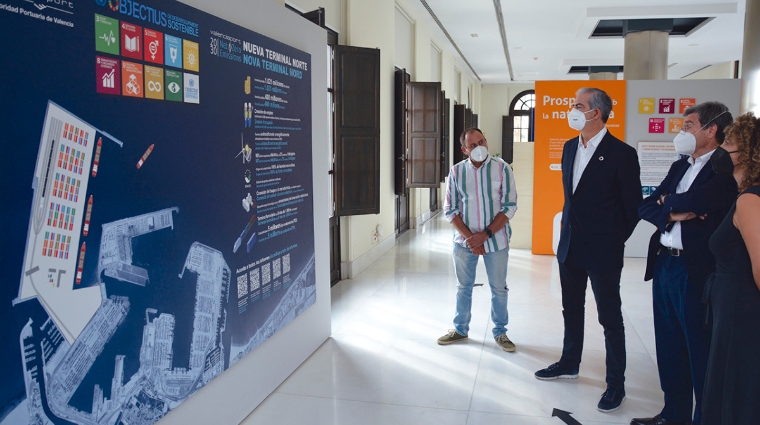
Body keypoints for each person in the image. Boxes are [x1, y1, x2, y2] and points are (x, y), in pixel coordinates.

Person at [534, 87, 642, 413]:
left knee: (610, 317)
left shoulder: (621, 153)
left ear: (595, 113)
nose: (572, 109)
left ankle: (616, 384)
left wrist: (611, 240)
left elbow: (632, 207)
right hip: (570, 246)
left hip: (603, 250)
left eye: (578, 105)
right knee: (571, 309)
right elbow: (573, 199)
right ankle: (569, 363)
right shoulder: (569, 147)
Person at [632, 102, 737, 425]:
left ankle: (703, 418)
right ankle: (672, 414)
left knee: (698, 349)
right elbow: (646, 205)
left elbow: (698, 201)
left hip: (695, 270)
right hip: (665, 264)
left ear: (711, 130)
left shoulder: (723, 170)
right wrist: (675, 211)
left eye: (688, 126)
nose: (682, 132)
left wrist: (672, 204)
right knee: (669, 345)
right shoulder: (680, 166)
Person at [701, 112, 760, 424]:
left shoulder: (751, 199)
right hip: (734, 309)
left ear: (749, 153)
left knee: (737, 390)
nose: (721, 149)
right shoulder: (745, 195)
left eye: (729, 143)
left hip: (742, 313)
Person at [438, 127, 518, 352]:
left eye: (482, 141)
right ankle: (460, 329)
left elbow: (510, 206)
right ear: (464, 150)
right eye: (473, 145)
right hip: (464, 243)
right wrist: (471, 239)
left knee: (499, 288)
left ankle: (500, 332)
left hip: (497, 240)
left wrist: (485, 235)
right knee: (464, 287)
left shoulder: (502, 169)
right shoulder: (456, 172)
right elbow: (450, 209)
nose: (479, 147)